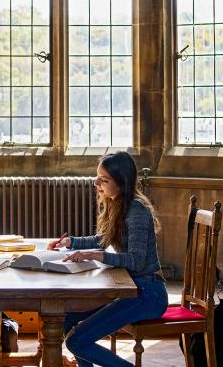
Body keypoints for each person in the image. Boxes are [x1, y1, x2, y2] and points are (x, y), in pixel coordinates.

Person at [48, 151, 167, 367]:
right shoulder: (118, 203)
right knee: (68, 318)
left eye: (104, 180)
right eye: (97, 177)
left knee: (76, 341)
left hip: (149, 294)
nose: (96, 184)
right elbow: (103, 239)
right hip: (132, 288)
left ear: (122, 182)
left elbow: (137, 261)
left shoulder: (137, 210)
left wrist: (96, 255)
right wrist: (71, 243)